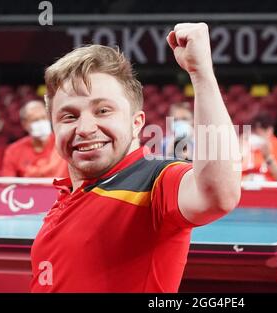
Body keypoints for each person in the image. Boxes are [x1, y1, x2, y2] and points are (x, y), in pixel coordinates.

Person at [30, 23, 241, 292]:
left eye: (103, 110)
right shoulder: (68, 194)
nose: (84, 128)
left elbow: (218, 194)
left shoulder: (155, 181)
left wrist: (201, 74)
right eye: (69, 116)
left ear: (136, 123)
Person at [1, 100, 68, 177]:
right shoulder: (13, 151)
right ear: (25, 124)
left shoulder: (64, 144)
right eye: (35, 120)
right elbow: (8, 183)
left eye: (43, 118)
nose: (41, 123)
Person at [241, 112, 277, 182]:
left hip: (273, 191)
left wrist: (268, 159)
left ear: (270, 130)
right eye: (253, 130)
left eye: (260, 130)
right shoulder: (242, 146)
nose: (256, 133)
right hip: (245, 190)